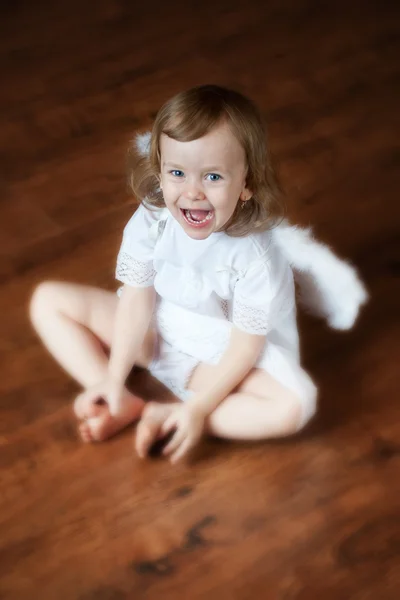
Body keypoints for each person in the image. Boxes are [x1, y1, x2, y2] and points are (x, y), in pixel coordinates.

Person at [29, 85, 366, 463]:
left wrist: (200, 408)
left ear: (247, 184)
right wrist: (114, 374)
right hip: (157, 328)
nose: (192, 192)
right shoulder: (153, 219)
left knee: (295, 405)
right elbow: (137, 299)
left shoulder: (256, 254)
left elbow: (244, 346)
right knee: (48, 301)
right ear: (159, 173)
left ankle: (174, 415)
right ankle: (113, 397)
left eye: (213, 177)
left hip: (221, 355)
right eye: (177, 172)